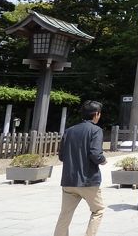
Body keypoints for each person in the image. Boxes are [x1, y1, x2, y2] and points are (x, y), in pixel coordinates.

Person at [53, 100, 107, 236]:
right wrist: (103, 160)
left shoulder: (69, 131)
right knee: (98, 210)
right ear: (96, 114)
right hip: (88, 180)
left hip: (69, 181)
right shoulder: (96, 130)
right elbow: (95, 154)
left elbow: (61, 156)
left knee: (65, 215)